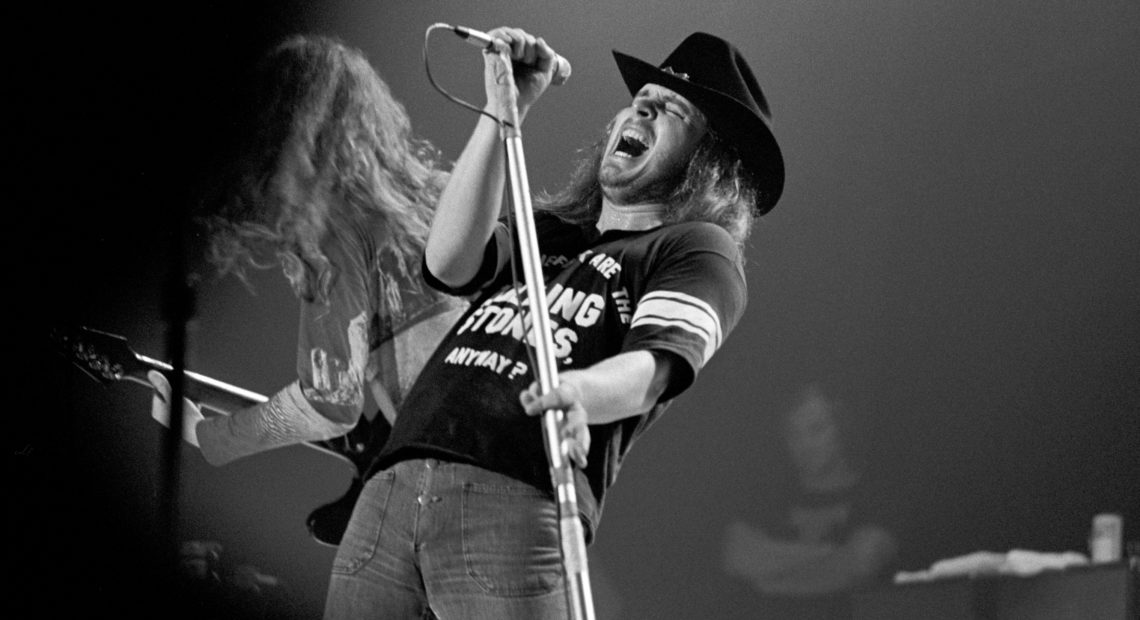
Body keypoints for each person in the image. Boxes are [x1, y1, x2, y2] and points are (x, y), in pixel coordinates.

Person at [323, 27, 786, 618]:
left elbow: (658, 364)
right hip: (390, 488)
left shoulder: (698, 248)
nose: (643, 105)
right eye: (642, 96)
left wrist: (580, 392)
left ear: (708, 161)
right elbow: (448, 261)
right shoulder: (552, 234)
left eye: (673, 109)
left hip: (511, 492)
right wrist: (501, 110)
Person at [149, 35, 466, 482]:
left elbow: (330, 402)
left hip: (455, 469)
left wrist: (209, 436)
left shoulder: (336, 230)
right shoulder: (438, 194)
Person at [722, 384, 903, 619]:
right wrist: (833, 555)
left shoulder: (876, 494)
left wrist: (769, 577)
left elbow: (860, 565)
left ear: (841, 427)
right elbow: (736, 556)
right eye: (793, 434)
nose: (804, 445)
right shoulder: (768, 496)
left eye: (816, 430)